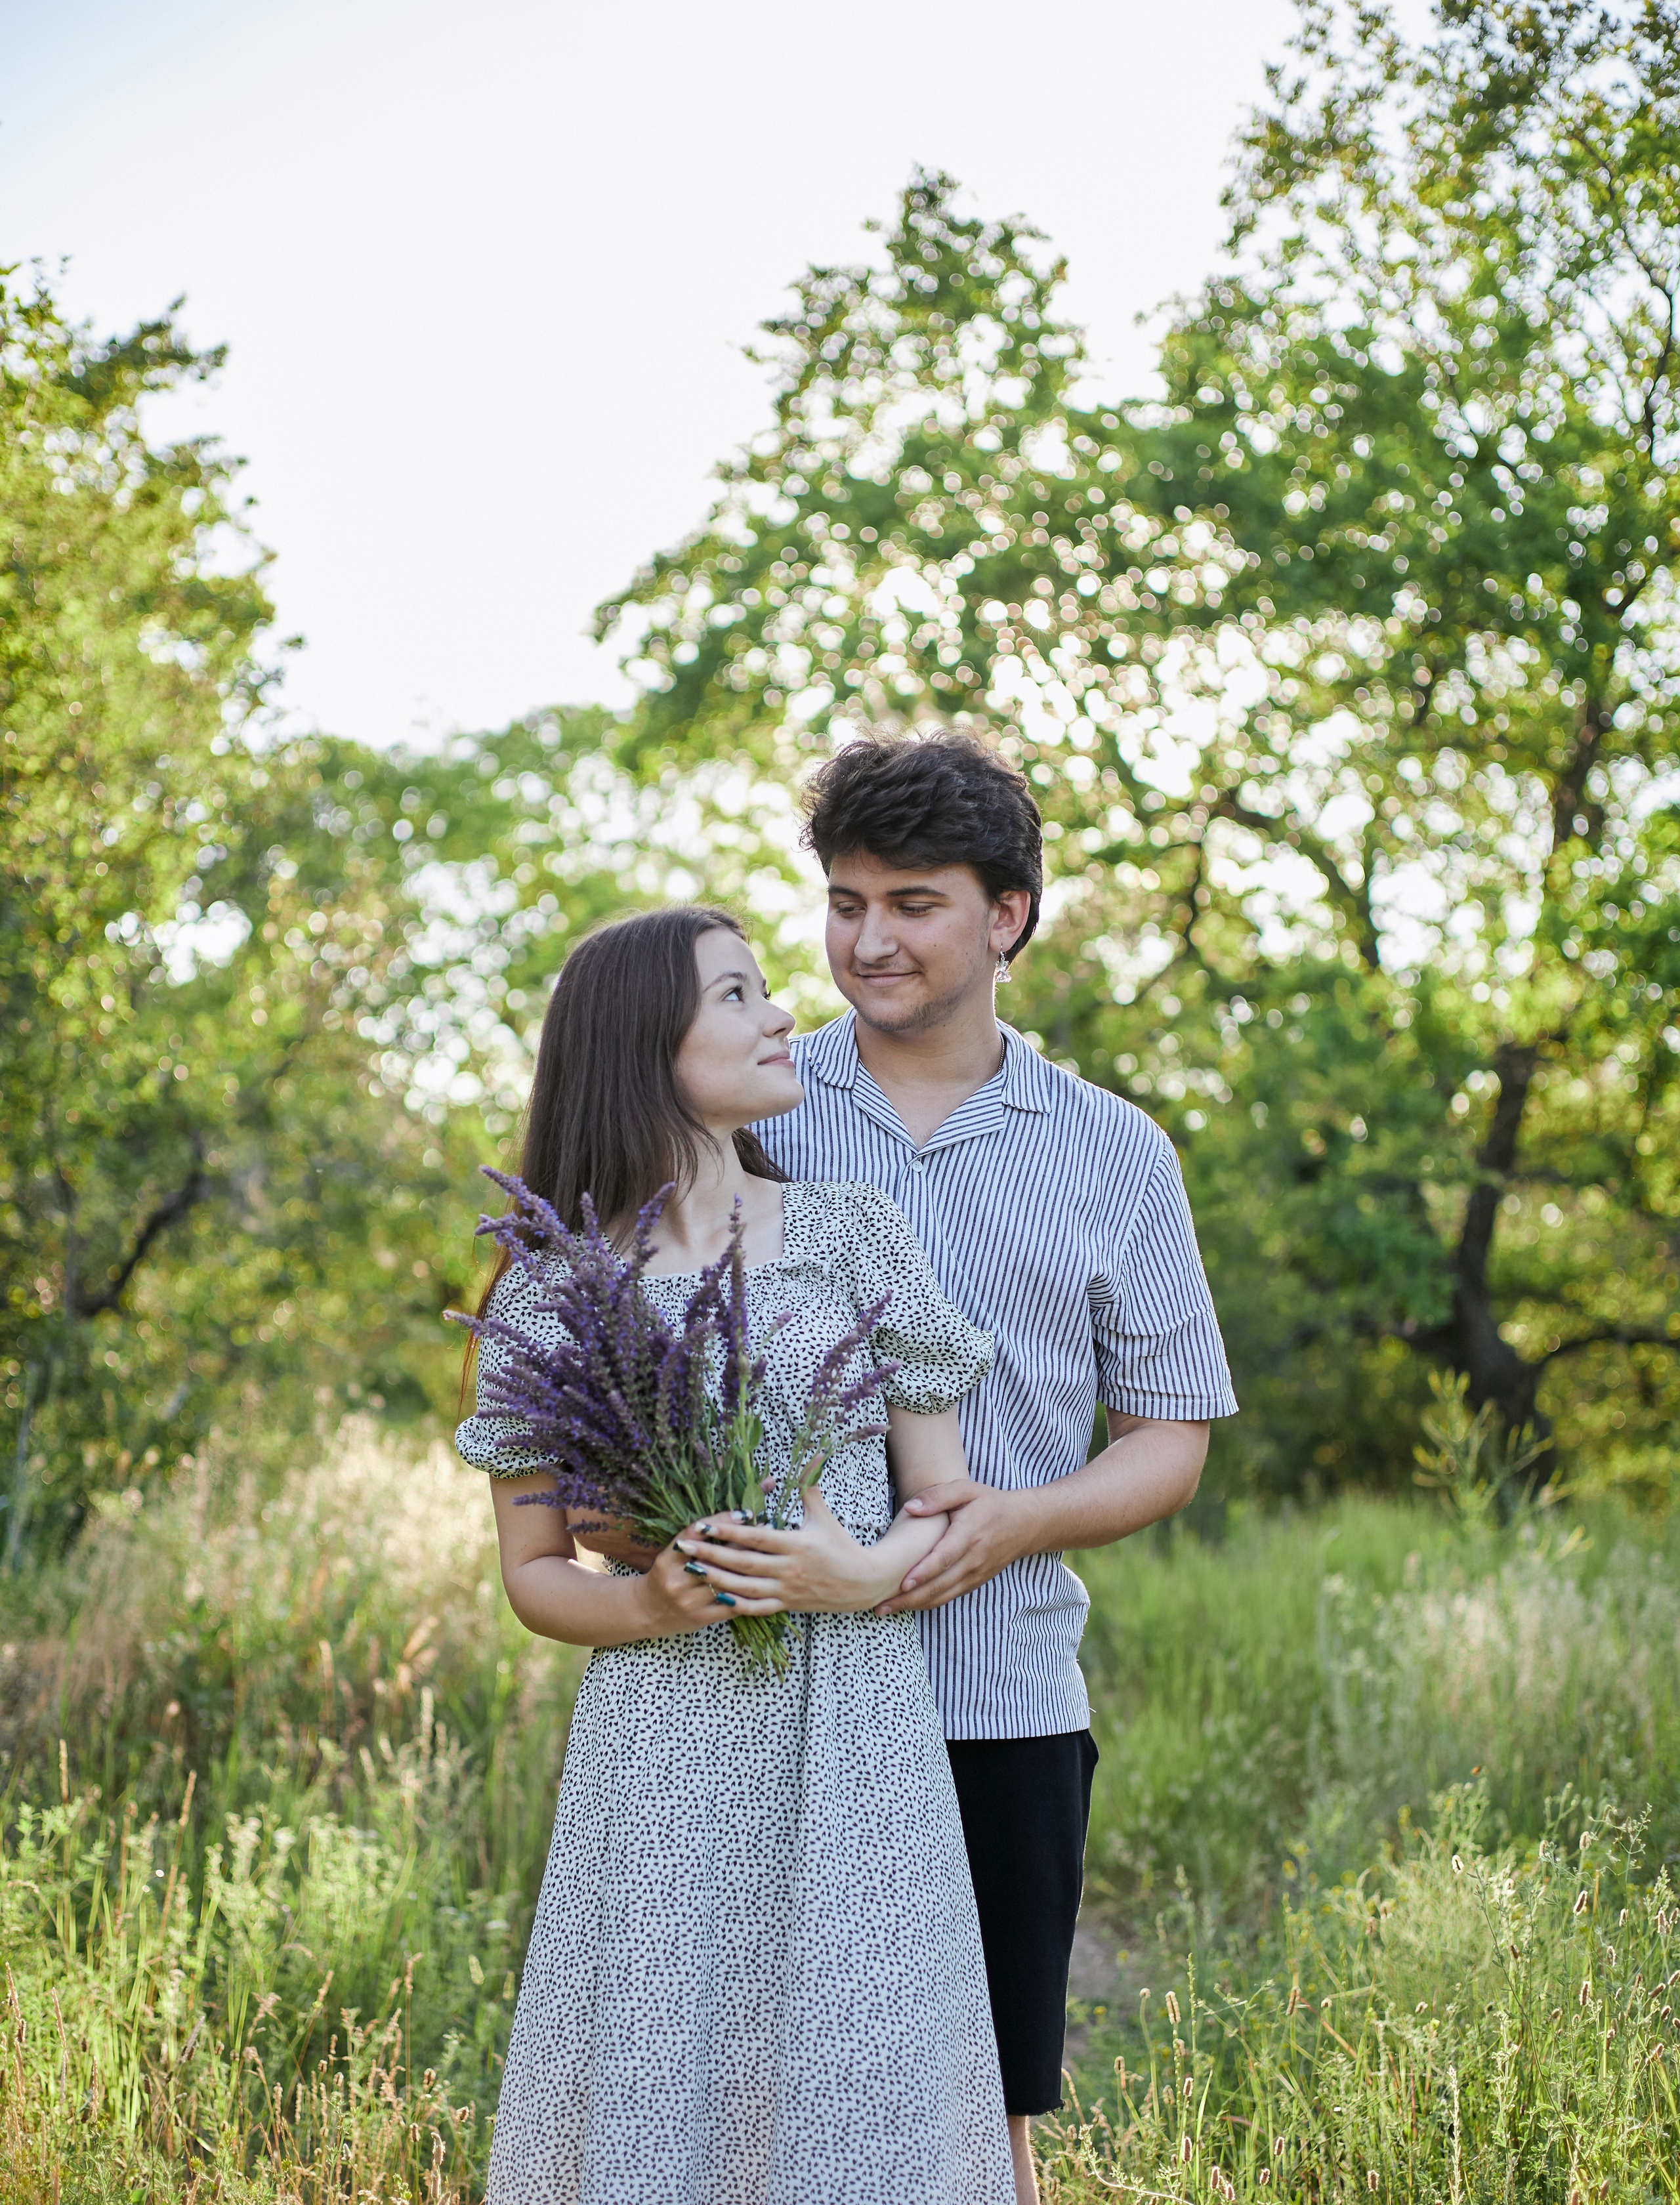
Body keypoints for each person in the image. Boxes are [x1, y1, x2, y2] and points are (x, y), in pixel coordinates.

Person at [733, 730, 1238, 2205]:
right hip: (774, 1689)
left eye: (909, 903)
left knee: (982, 2124)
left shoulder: (1114, 1152)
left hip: (999, 1696)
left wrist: (1012, 1522)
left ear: (1005, 915)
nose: (863, 939)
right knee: (767, 2113)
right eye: (841, 902)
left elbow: (1170, 1440)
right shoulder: (752, 1111)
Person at [455, 904, 1015, 2205]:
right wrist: (650, 1602)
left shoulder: (852, 1232)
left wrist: (857, 1578)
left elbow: (943, 1501)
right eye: (737, 995)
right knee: (669, 2085)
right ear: (640, 1041)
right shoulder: (554, 1288)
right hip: (663, 1748)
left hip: (854, 1730)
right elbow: (537, 1576)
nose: (782, 1016)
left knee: (860, 2082)